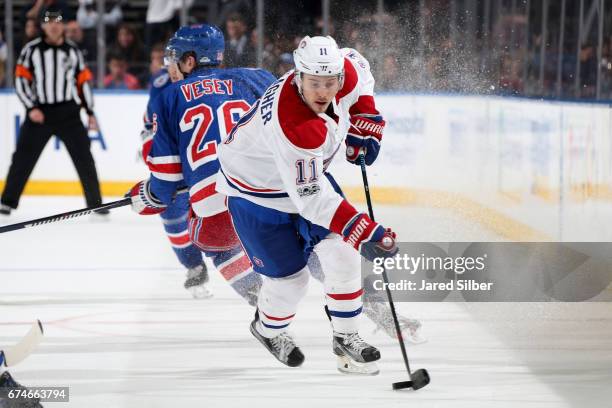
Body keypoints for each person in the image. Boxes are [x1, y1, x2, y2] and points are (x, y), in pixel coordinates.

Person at [215, 35, 397, 374]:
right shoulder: (295, 125)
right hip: (257, 196)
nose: (323, 92)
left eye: (330, 83)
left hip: (301, 180)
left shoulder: (345, 72)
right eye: (314, 83)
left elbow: (359, 62)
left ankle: (346, 336)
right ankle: (268, 330)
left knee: (343, 252)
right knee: (291, 283)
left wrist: (365, 115)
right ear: (298, 76)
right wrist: (364, 230)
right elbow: (312, 200)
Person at [127, 24, 275, 304]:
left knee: (217, 242)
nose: (169, 64)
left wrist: (149, 195)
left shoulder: (170, 96)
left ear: (190, 60)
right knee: (314, 238)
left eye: (174, 57)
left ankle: (266, 303)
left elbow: (167, 180)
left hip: (214, 196)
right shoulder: (255, 78)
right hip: (271, 187)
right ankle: (367, 295)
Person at [0, 6, 104, 216]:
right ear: (43, 25)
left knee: (84, 157)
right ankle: (7, 201)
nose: (54, 26)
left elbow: (83, 83)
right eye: (50, 22)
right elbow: (21, 81)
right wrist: (31, 107)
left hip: (68, 113)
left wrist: (90, 112)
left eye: (58, 22)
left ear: (63, 25)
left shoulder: (73, 51)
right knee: (22, 158)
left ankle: (95, 203)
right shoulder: (31, 50)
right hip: (40, 113)